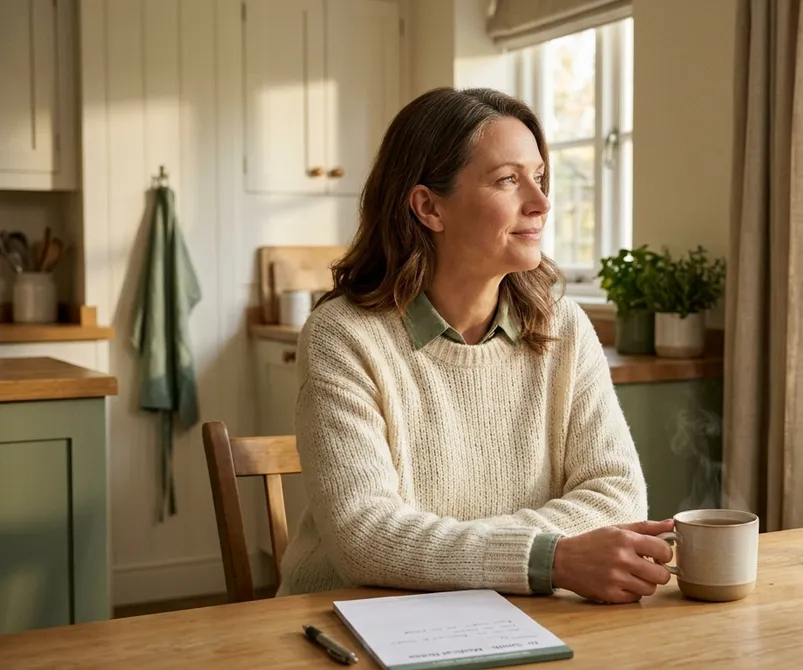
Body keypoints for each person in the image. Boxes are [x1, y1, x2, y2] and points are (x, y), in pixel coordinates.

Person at [276, 87, 673, 604]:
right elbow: (366, 537)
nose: (541, 202)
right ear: (428, 207)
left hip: (521, 613)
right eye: (508, 180)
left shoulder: (564, 327)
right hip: (355, 618)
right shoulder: (343, 336)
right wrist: (550, 557)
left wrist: (461, 551)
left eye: (539, 176)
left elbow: (619, 497)